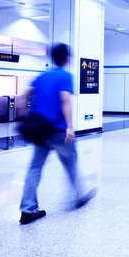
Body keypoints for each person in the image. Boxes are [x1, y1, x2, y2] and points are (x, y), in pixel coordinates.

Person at [19, 43, 95, 225]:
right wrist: (70, 126)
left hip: (40, 131)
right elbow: (65, 100)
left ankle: (28, 210)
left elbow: (22, 96)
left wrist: (25, 116)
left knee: (34, 168)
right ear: (67, 58)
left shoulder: (42, 76)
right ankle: (79, 197)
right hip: (59, 130)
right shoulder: (65, 76)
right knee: (71, 164)